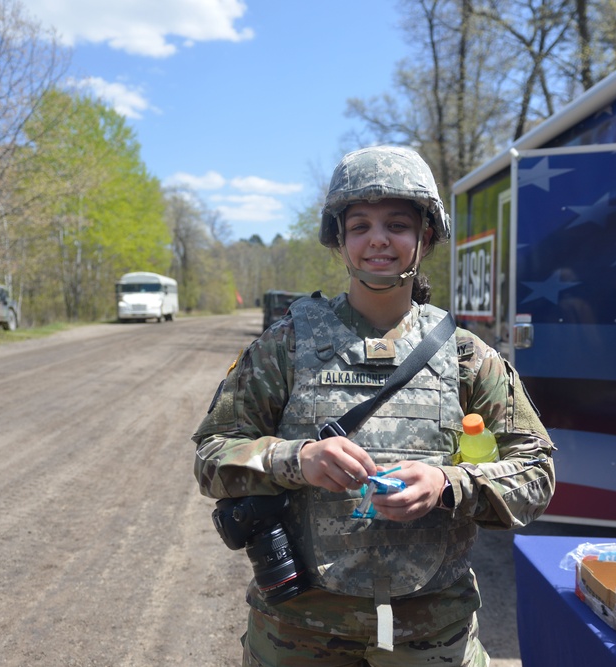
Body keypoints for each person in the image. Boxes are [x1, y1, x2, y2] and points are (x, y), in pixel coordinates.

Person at [192, 145, 556, 666]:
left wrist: (448, 486)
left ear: (425, 237)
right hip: (299, 629)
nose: (378, 239)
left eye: (398, 224)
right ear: (339, 240)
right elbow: (211, 456)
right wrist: (297, 461)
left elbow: (538, 473)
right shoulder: (286, 346)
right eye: (359, 225)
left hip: (431, 630)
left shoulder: (467, 356)